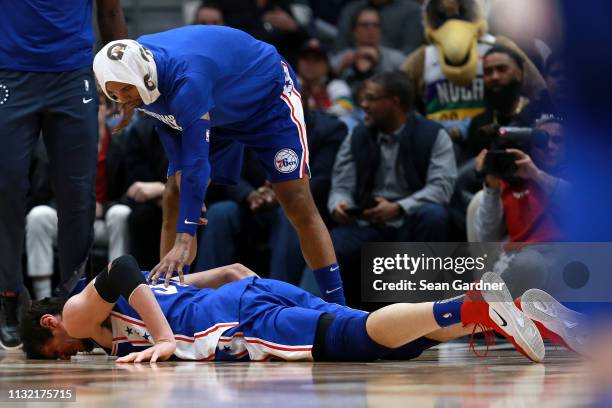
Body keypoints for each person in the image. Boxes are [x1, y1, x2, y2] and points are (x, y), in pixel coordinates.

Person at [92, 25, 346, 305]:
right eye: (115, 93)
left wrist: (184, 238)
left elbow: (197, 163)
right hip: (213, 106)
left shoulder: (187, 79)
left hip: (266, 99)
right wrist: (188, 191)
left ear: (146, 78)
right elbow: (173, 140)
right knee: (174, 193)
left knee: (296, 198)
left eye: (127, 90)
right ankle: (171, 305)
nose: (124, 97)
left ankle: (338, 304)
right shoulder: (133, 74)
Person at [20, 254, 583, 362]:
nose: (67, 355)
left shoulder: (75, 315)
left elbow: (119, 267)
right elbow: (232, 269)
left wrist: (165, 340)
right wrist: (236, 279)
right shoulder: (130, 312)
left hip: (237, 319)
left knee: (362, 336)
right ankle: (518, 316)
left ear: (50, 325)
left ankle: (475, 306)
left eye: (55, 353)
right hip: (248, 292)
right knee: (397, 346)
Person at [0, 0, 126, 349]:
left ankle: (77, 301)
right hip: (10, 70)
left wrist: (119, 72)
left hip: (72, 74)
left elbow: (110, 11)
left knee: (78, 194)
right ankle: (9, 293)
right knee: (6, 187)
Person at [328, 71, 456, 306]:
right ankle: (351, 320)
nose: (363, 105)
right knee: (337, 241)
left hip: (410, 218)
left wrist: (398, 207)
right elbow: (341, 186)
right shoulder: (356, 136)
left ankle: (429, 312)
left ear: (394, 102)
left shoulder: (434, 134)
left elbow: (441, 188)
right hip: (369, 221)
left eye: (371, 98)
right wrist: (339, 205)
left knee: (434, 216)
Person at [25, 93, 132, 301]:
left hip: (101, 223)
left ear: (108, 109)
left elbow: (129, 191)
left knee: (122, 213)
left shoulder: (120, 143)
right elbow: (40, 194)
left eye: (97, 104)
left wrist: (104, 206)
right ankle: (43, 300)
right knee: (38, 215)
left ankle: (119, 296)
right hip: (65, 221)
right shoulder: (55, 144)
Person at [331, 6, 405, 91]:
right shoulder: (342, 58)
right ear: (354, 31)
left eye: (376, 25)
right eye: (364, 25)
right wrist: (341, 68)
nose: (371, 29)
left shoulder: (397, 59)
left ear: (381, 30)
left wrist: (379, 63)